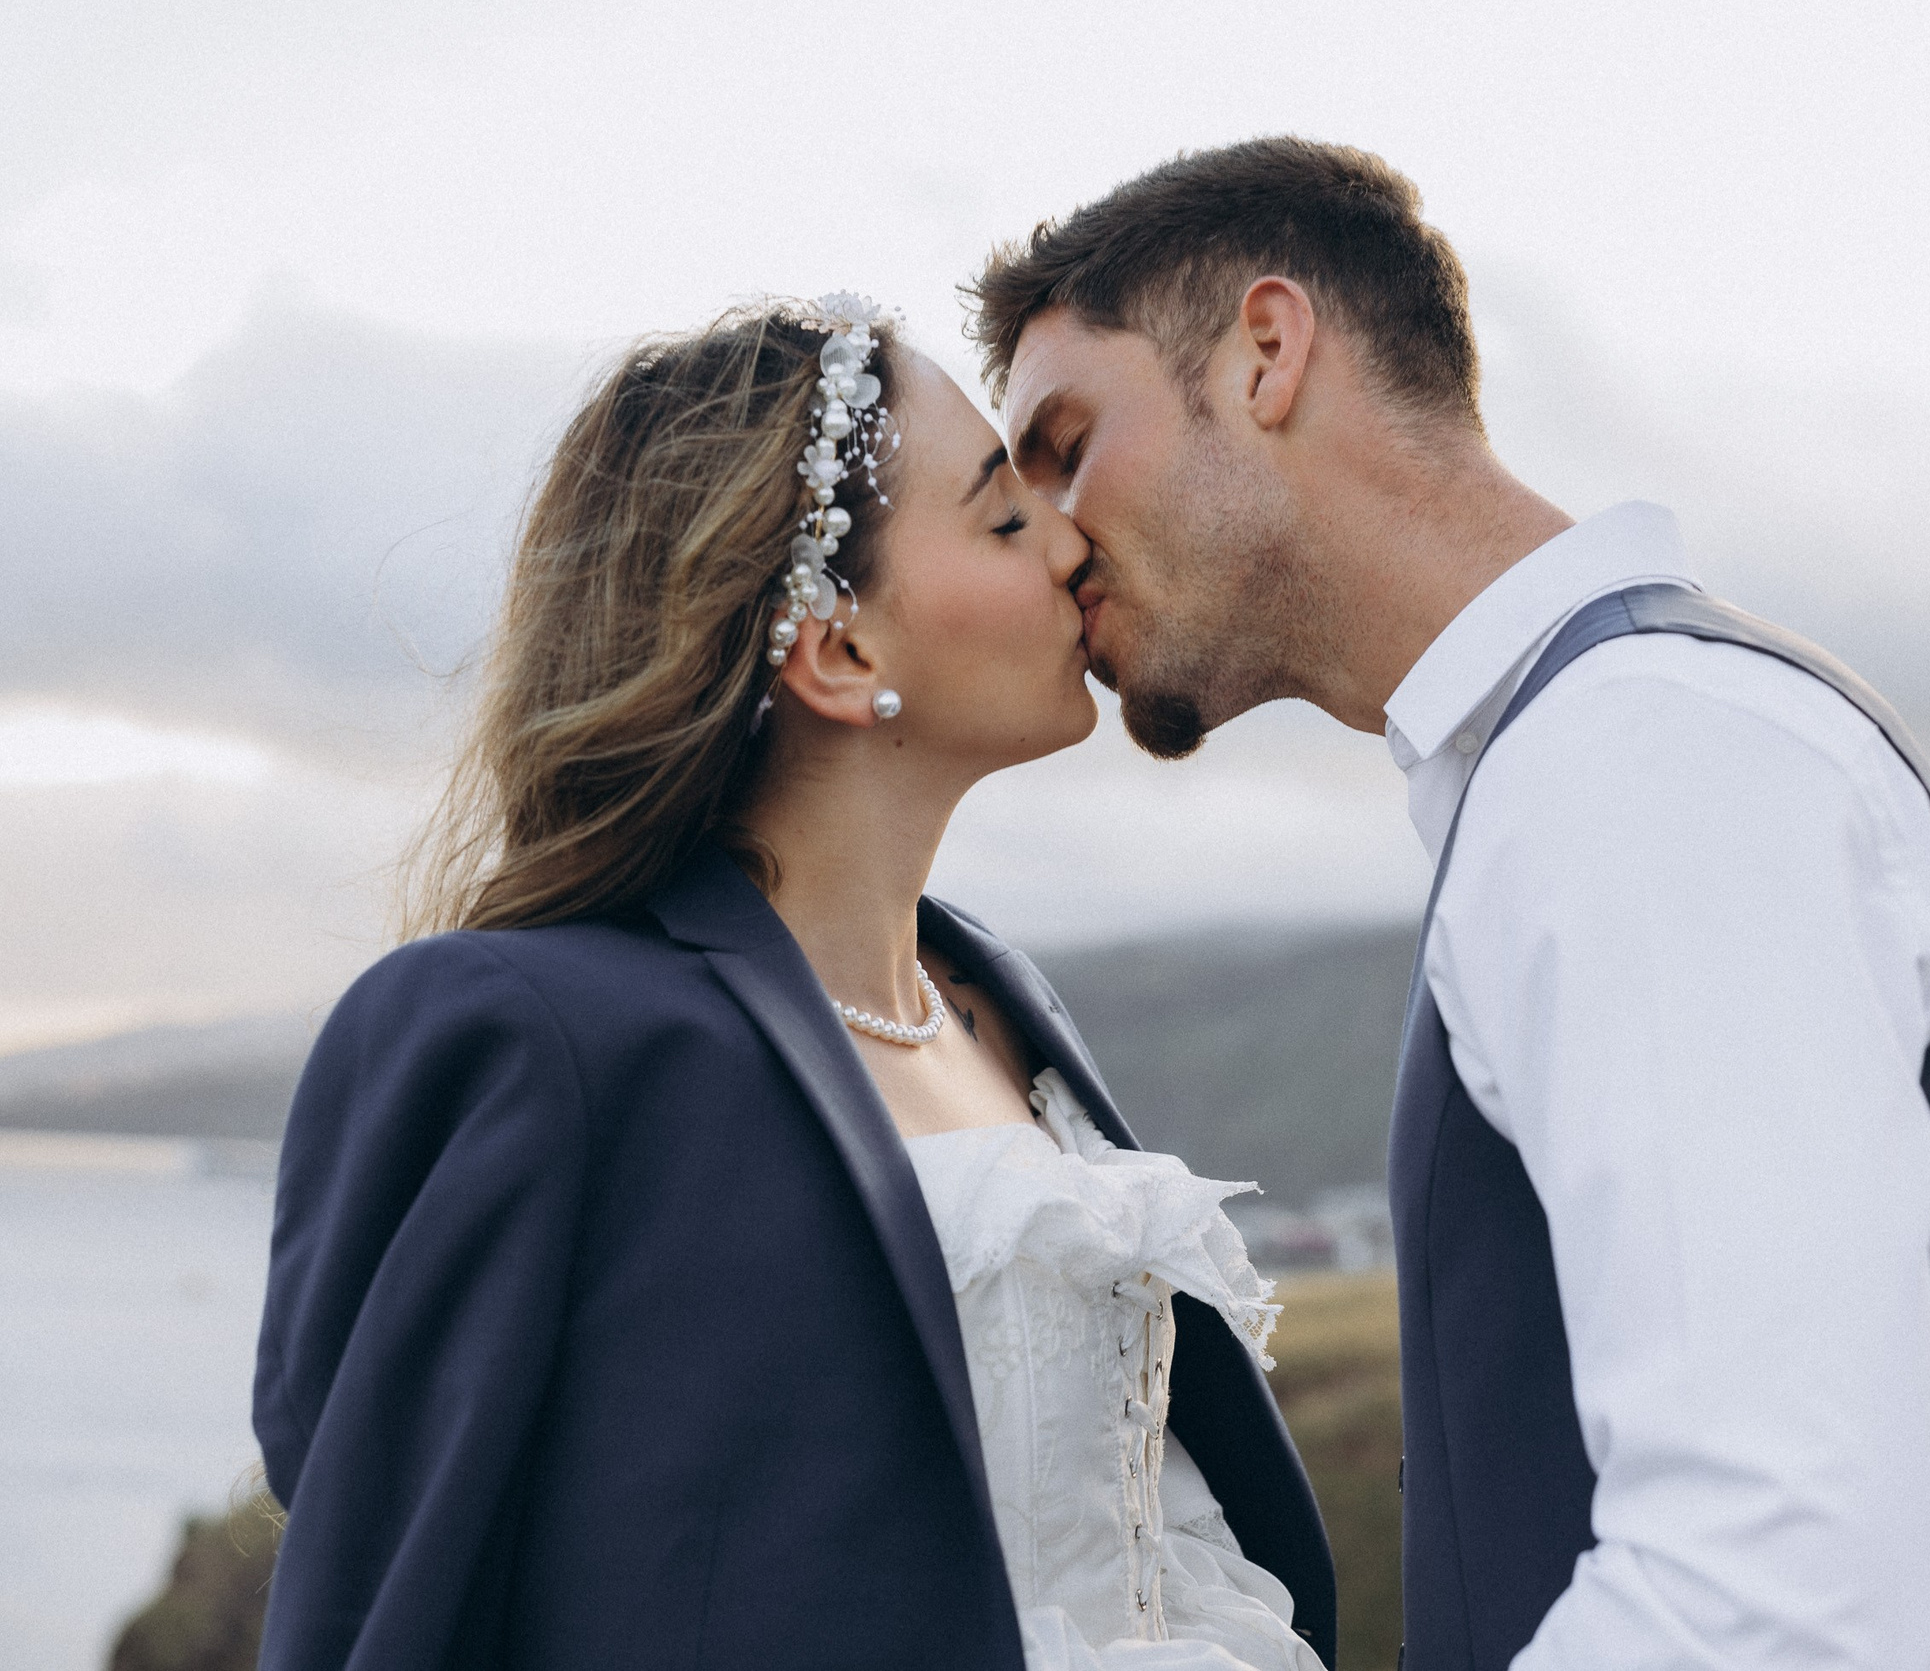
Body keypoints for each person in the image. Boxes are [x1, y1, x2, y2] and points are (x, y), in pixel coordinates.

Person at [969, 139, 1930, 1671]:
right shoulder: (1595, 752)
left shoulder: (1641, 763)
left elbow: (1769, 1588)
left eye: (1067, 445)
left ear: (1266, 353)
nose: (1056, 535)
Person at [252, 295, 1334, 1671]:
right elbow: (384, 1596)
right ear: (837, 650)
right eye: (1004, 518)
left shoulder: (1006, 1007)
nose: (1072, 542)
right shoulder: (529, 1037)